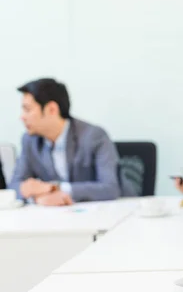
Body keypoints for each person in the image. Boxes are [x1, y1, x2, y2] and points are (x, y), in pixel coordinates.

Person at [9, 78, 120, 206]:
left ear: (51, 109)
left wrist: (55, 188)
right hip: (57, 216)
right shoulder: (30, 141)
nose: (22, 117)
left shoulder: (93, 136)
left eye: (28, 110)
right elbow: (14, 187)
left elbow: (110, 188)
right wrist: (36, 197)